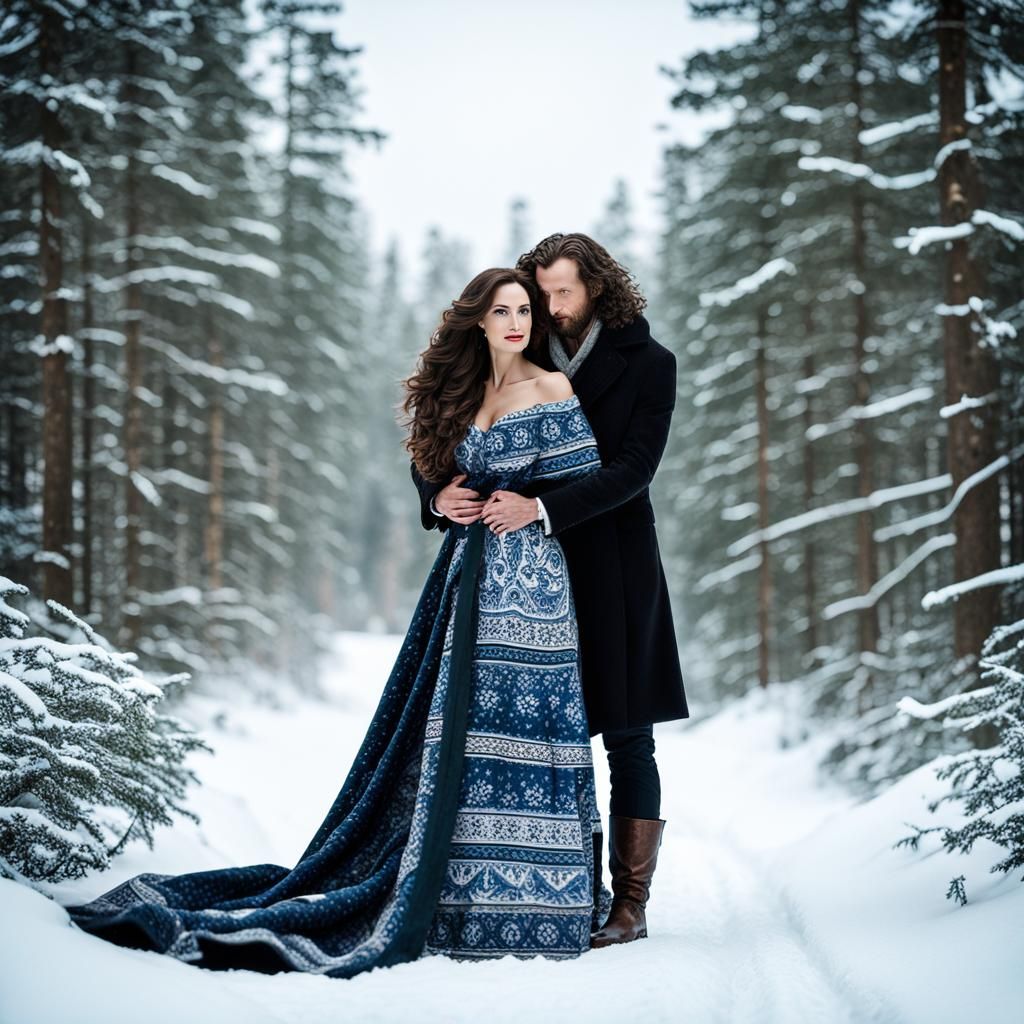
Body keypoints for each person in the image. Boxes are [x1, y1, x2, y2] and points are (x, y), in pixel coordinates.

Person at [64, 268, 609, 975]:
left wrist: (534, 507)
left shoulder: (551, 388)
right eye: (502, 311)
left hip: (528, 586)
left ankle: (533, 900)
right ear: (478, 320)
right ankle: (454, 895)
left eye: (525, 311)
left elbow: (593, 483)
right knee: (457, 733)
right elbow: (428, 469)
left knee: (517, 725)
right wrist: (439, 499)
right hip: (462, 578)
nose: (516, 323)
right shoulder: (465, 391)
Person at [412, 233, 688, 949]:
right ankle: (557, 886)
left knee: (627, 734)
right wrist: (435, 495)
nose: (552, 305)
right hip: (519, 578)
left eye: (565, 291)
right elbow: (452, 430)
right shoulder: (519, 340)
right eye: (544, 294)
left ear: (597, 286)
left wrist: (541, 508)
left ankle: (630, 903)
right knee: (536, 730)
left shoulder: (650, 363)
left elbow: (634, 469)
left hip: (611, 563)